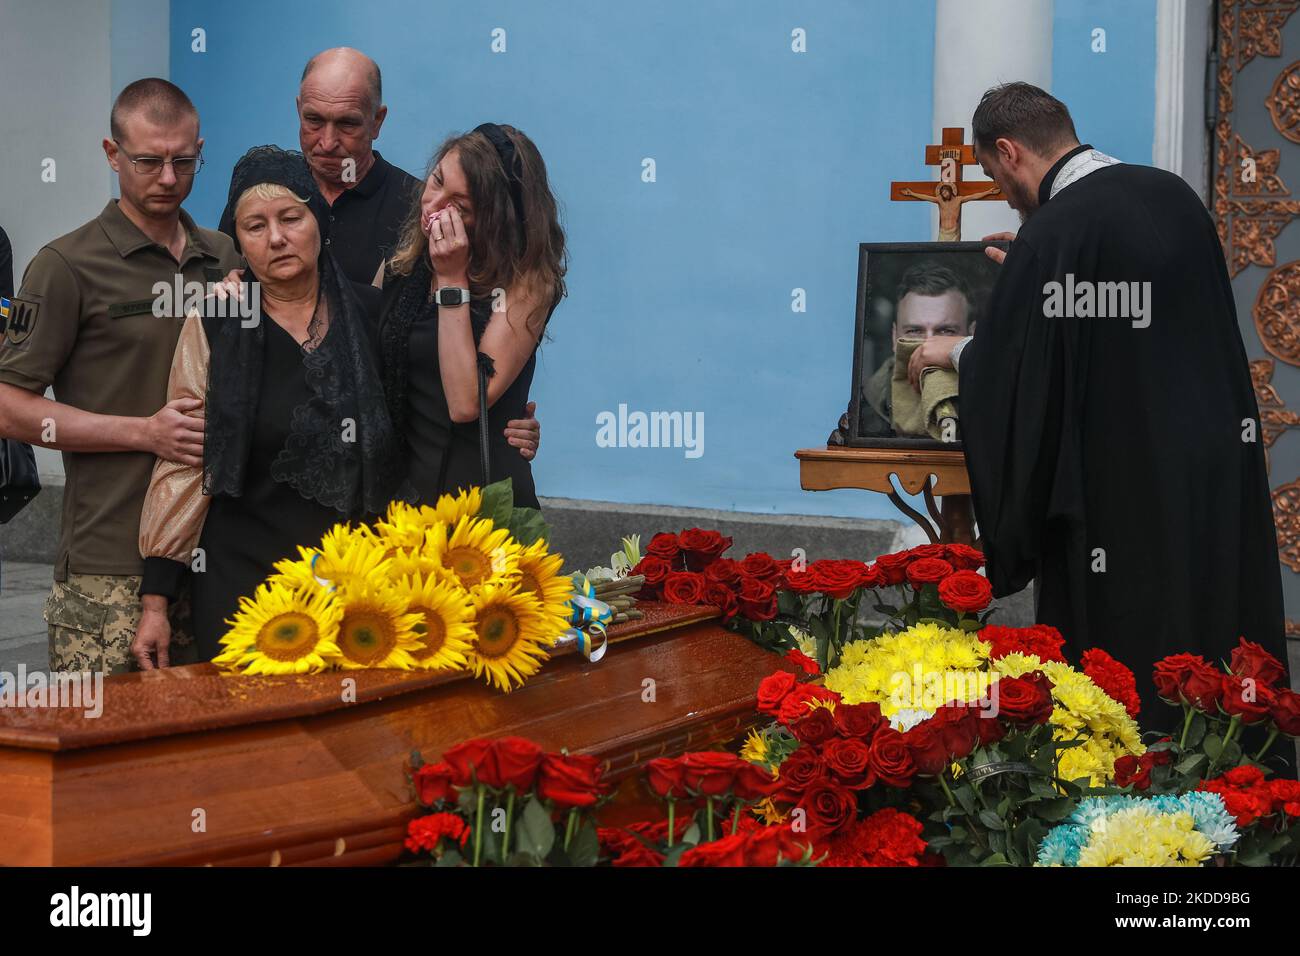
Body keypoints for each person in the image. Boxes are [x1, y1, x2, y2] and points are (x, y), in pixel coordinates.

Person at [906, 82, 1288, 716]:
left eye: (998, 178)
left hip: (1121, 491)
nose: (1005, 193)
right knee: (1209, 626)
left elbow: (1029, 383)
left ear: (1009, 152)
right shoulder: (1173, 195)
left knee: (1130, 655)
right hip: (1210, 471)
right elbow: (1125, 330)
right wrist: (1033, 278)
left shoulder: (1056, 232)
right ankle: (1228, 779)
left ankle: (1130, 792)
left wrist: (965, 351)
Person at [0, 79, 241, 674]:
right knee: (102, 760)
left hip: (218, 557)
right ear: (112, 155)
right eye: (147, 161)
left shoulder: (226, 258)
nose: (167, 178)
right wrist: (143, 433)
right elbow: (9, 407)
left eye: (184, 162)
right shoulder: (67, 265)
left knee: (208, 763)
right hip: (109, 566)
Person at [136, 146, 405, 665]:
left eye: (291, 217)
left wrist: (513, 427)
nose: (277, 238)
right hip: (244, 584)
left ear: (319, 222)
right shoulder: (217, 321)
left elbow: (422, 421)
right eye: (254, 226)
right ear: (237, 241)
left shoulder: (373, 317)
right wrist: (156, 600)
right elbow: (185, 458)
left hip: (360, 583)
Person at [218, 47, 542, 464]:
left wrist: (506, 411)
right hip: (270, 451)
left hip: (379, 464)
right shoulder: (262, 198)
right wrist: (227, 286)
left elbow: (441, 363)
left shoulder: (418, 215)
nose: (328, 141)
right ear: (298, 109)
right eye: (313, 120)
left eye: (348, 124)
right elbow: (227, 307)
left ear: (378, 121)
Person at [376, 124, 565, 509]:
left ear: (495, 219)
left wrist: (450, 279)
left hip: (476, 502)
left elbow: (465, 403)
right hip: (400, 496)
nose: (432, 206)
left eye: (459, 206)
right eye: (436, 181)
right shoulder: (403, 264)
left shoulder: (527, 283)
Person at [859, 263, 973, 436]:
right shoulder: (868, 407)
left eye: (946, 331)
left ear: (971, 335)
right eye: (914, 331)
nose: (928, 348)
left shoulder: (994, 399)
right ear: (894, 337)